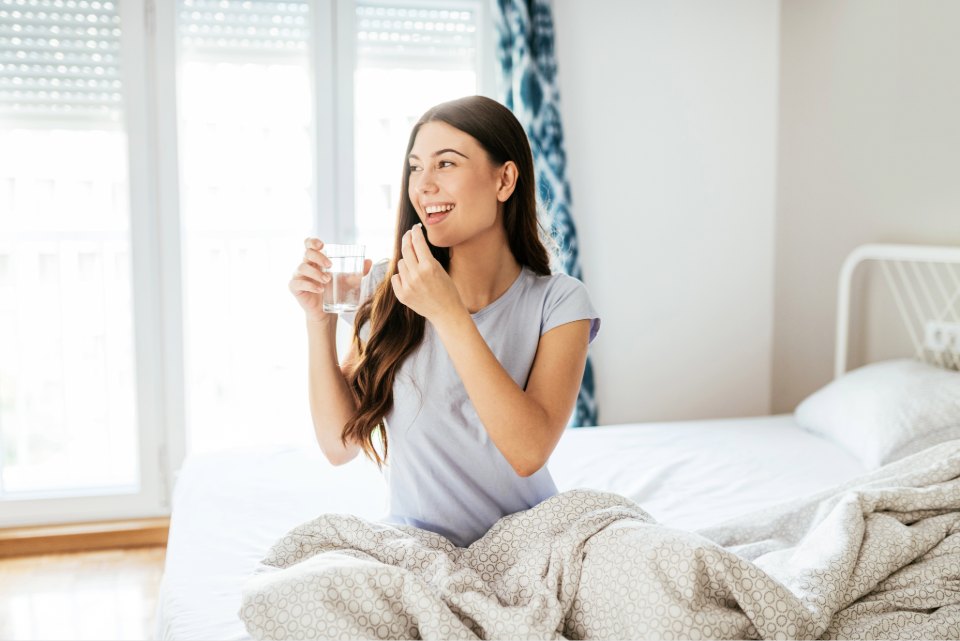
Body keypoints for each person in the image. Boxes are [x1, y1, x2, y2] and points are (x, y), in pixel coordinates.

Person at [287, 95, 600, 548]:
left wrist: (448, 312)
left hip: (533, 544)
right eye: (415, 168)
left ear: (504, 179)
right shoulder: (388, 287)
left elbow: (529, 452)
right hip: (420, 549)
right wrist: (320, 323)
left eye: (445, 164)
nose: (423, 186)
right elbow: (339, 446)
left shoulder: (560, 301)